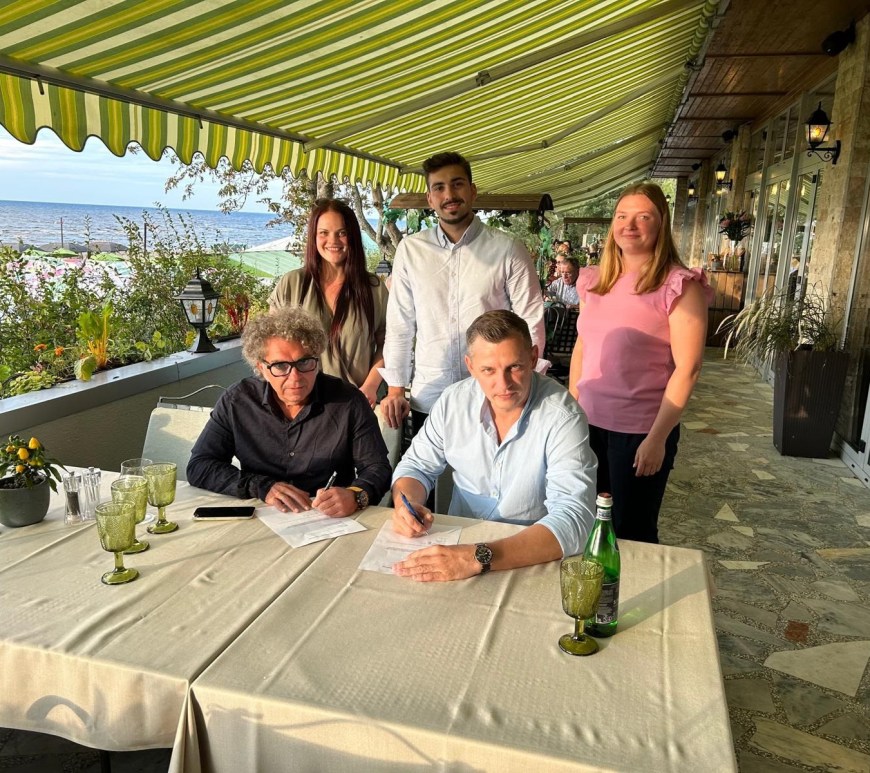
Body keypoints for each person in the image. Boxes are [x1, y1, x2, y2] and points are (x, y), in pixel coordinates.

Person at [390, 310, 597, 582]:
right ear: (470, 366)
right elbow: (416, 466)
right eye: (488, 370)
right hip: (457, 549)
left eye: (515, 367)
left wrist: (477, 557)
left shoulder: (563, 416)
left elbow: (575, 518)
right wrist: (407, 505)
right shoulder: (453, 402)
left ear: (534, 358)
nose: (504, 384)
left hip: (530, 554)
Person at [568, 182, 711, 544]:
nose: (629, 225)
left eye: (643, 217)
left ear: (661, 223)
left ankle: (631, 585)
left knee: (631, 532)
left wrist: (657, 438)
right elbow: (583, 346)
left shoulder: (679, 286)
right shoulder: (594, 280)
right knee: (584, 524)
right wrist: (571, 410)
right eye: (622, 216)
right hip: (587, 426)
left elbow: (688, 368)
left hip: (639, 432)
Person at [379, 151, 546, 434]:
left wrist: (529, 384)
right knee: (428, 463)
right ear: (430, 198)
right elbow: (400, 324)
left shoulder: (507, 249)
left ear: (472, 191)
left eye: (457, 184)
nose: (449, 195)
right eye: (439, 187)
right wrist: (396, 388)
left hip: (494, 396)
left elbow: (531, 321)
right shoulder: (411, 250)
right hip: (431, 396)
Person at [187, 306, 391, 517]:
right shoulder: (237, 401)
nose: (295, 377)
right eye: (280, 366)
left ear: (316, 360)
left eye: (304, 362)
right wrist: (261, 486)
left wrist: (356, 495)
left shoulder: (348, 401)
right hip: (261, 517)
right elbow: (200, 466)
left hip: (328, 520)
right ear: (261, 367)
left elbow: (378, 468)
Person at [269, 199, 387, 408]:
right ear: (314, 237)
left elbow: (388, 344)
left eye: (342, 233)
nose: (333, 241)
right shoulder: (292, 284)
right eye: (324, 233)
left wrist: (370, 386)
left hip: (357, 403)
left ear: (353, 236)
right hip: (302, 405)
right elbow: (271, 346)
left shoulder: (374, 289)